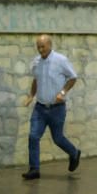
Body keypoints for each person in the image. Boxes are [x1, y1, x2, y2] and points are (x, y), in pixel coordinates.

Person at [22, 34, 81, 180]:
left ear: (50, 45)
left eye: (43, 46)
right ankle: (34, 169)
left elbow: (73, 77)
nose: (40, 50)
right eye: (38, 47)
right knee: (33, 136)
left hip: (57, 108)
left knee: (58, 138)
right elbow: (36, 79)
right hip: (40, 108)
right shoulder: (36, 62)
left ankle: (74, 153)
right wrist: (31, 95)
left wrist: (63, 92)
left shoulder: (61, 60)